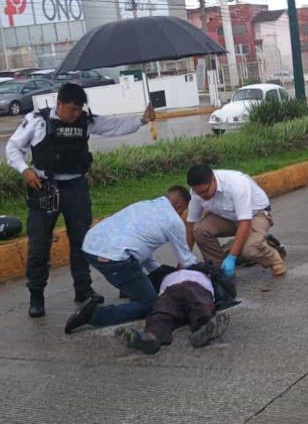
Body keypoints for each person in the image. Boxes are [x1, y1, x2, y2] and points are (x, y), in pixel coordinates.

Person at [5, 82, 155, 318]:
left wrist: (142, 120)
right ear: (60, 104)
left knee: (82, 241)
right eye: (72, 109)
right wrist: (25, 170)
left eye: (79, 109)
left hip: (75, 186)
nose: (76, 114)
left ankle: (83, 291)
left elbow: (112, 126)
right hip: (44, 187)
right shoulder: (37, 120)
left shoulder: (85, 120)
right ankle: (36, 297)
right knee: (39, 245)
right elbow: (13, 148)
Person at [64, 186, 198, 334]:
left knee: (138, 279)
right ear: (180, 205)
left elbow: (142, 244)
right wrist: (203, 274)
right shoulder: (173, 221)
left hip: (90, 244)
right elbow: (186, 260)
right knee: (148, 303)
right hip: (113, 258)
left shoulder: (144, 205)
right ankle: (93, 316)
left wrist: (156, 269)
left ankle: (129, 289)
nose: (182, 213)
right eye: (183, 210)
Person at [186, 164, 287, 278]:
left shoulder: (236, 183)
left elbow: (245, 222)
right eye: (198, 193)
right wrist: (185, 255)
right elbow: (191, 223)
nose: (202, 196)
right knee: (199, 230)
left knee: (249, 249)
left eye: (205, 191)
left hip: (256, 215)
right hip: (227, 216)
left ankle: (274, 258)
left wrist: (232, 257)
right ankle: (219, 271)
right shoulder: (196, 192)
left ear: (213, 180)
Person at [113, 263, 234, 354]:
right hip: (169, 292)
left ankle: (203, 330)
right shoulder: (165, 274)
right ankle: (150, 338)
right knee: (161, 311)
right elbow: (139, 285)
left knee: (200, 306)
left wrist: (210, 270)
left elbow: (228, 286)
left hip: (196, 288)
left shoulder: (204, 272)